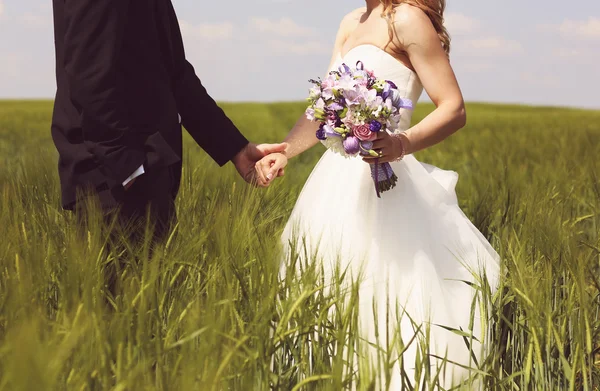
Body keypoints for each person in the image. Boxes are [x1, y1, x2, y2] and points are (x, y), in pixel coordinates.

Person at [257, 0, 500, 387]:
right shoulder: (350, 22)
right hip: (332, 186)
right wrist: (284, 152)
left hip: (385, 181)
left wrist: (401, 143)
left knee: (387, 294)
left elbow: (453, 107)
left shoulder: (405, 18)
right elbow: (321, 110)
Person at [51, 0, 286, 242]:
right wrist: (127, 169)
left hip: (146, 175)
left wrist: (236, 149)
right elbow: (89, 73)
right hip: (114, 183)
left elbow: (175, 73)